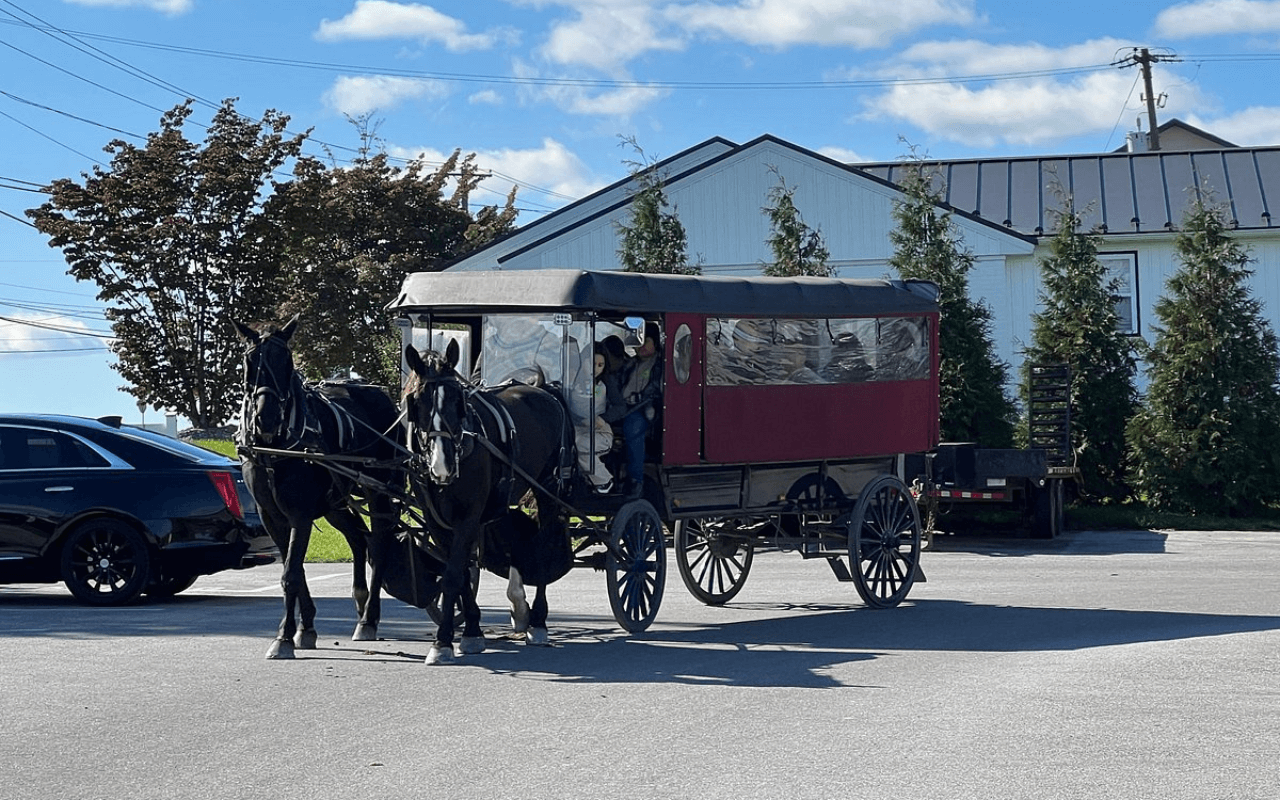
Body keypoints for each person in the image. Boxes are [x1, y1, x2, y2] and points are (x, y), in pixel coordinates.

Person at [616, 321, 662, 498]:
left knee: (633, 426)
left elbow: (657, 390)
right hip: (624, 408)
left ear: (655, 342)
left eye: (647, 341)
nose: (642, 346)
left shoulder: (659, 364)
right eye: (639, 341)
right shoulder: (629, 365)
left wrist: (638, 398)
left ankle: (636, 480)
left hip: (648, 413)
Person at [573, 347, 616, 494]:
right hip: (576, 430)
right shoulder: (572, 382)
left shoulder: (603, 385)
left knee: (581, 445)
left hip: (600, 432)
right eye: (592, 364)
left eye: (600, 365)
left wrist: (601, 420)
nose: (596, 369)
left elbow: (619, 406)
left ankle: (604, 480)